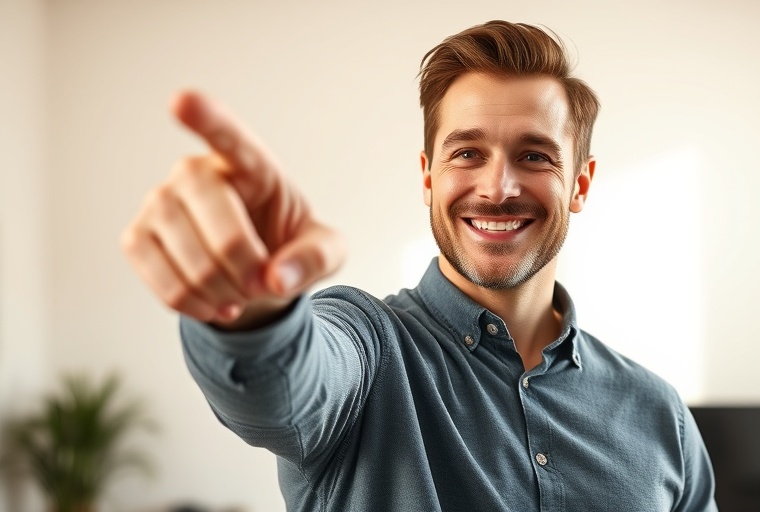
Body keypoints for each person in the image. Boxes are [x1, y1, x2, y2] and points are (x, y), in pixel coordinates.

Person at [121, 20, 717, 511]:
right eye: (467, 153)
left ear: (580, 184)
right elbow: (286, 384)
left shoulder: (660, 414)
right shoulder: (368, 348)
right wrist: (253, 307)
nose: (497, 187)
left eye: (534, 155)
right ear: (429, 176)